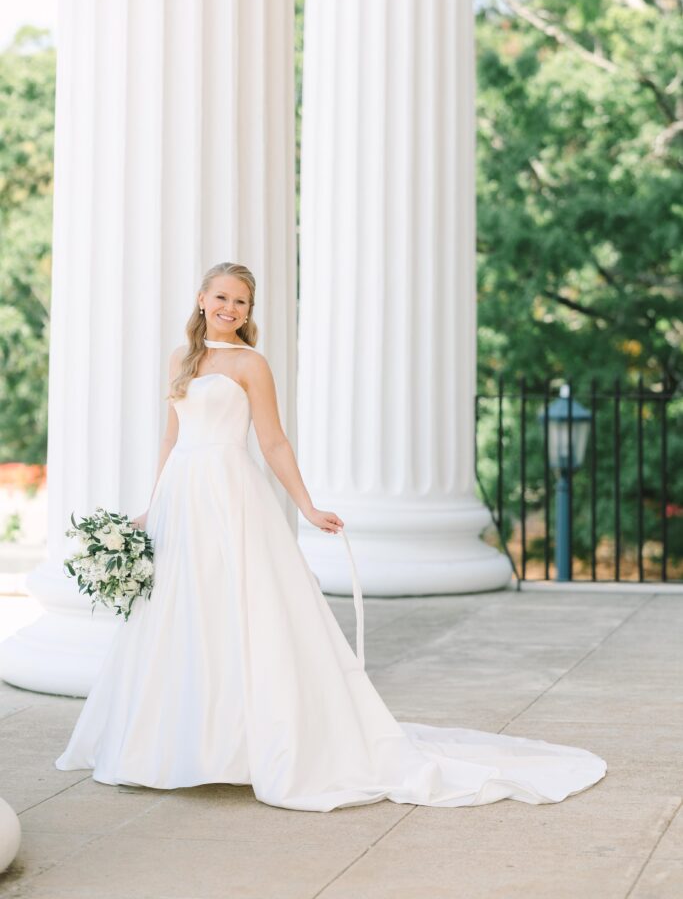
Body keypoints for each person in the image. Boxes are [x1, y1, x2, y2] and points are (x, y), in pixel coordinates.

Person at [55, 260, 607, 810]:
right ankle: (173, 746)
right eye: (221, 297)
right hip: (181, 497)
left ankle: (247, 745)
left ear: (248, 312)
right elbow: (170, 439)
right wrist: (152, 507)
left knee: (240, 606)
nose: (230, 308)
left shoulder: (251, 364)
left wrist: (308, 506)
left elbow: (273, 442)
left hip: (229, 494)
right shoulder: (181, 359)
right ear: (202, 299)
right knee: (181, 610)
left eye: (241, 301)